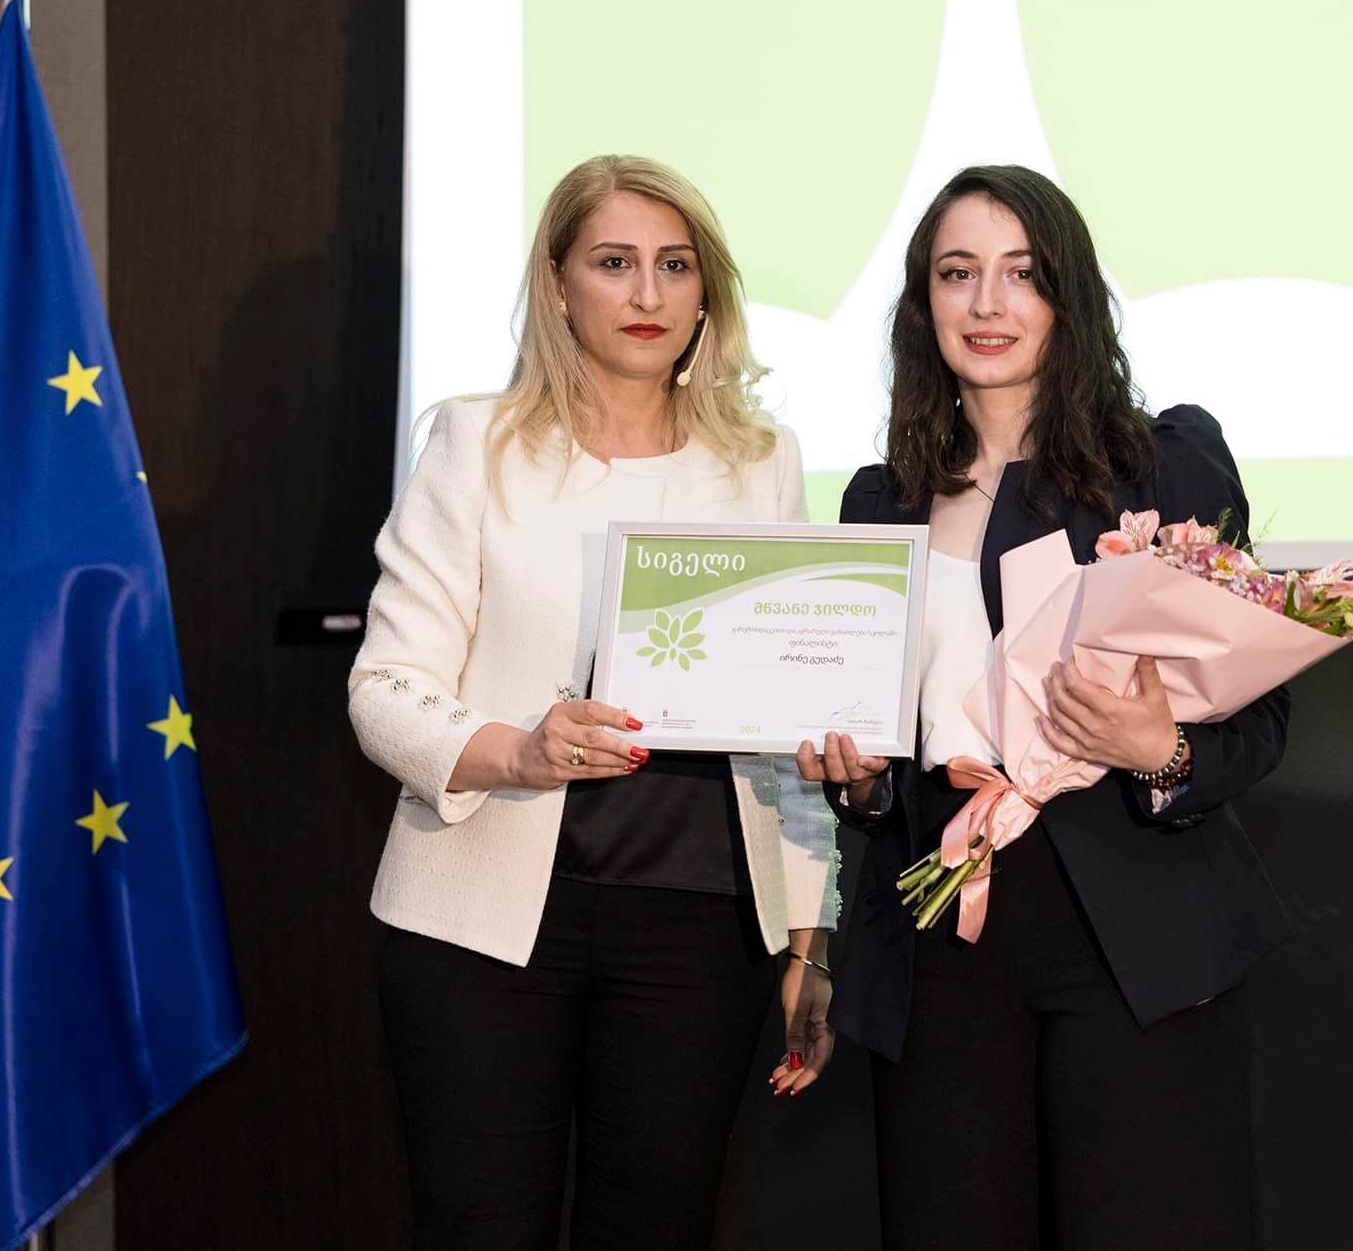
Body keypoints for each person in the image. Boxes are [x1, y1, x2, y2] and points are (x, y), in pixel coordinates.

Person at [349, 154, 839, 1249]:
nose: (648, 292)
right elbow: (383, 691)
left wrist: (811, 937)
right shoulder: (477, 443)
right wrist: (518, 750)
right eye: (614, 263)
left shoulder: (763, 462)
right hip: (481, 925)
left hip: (702, 930)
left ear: (708, 292)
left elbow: (791, 726)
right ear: (558, 284)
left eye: (676, 265)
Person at [797, 165, 1291, 1248]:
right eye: (956, 274)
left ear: (1069, 296)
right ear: (922, 304)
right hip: (943, 948)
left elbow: (1260, 721)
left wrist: (1162, 749)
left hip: (1134, 936)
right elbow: (880, 779)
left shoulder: (1161, 467)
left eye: (1021, 274)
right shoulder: (880, 501)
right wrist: (864, 788)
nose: (987, 304)